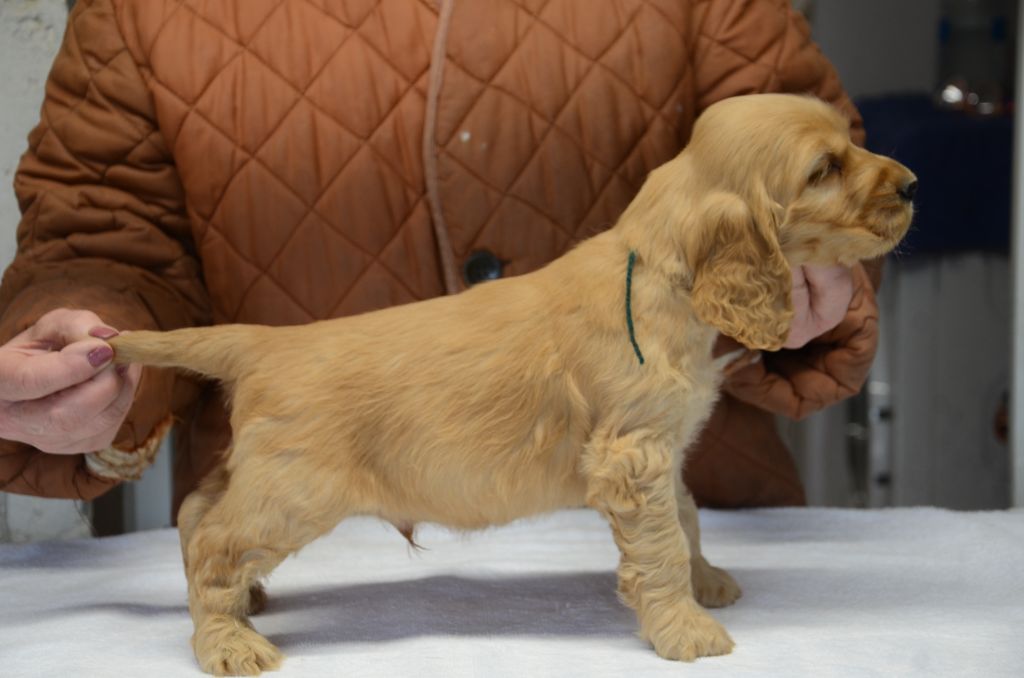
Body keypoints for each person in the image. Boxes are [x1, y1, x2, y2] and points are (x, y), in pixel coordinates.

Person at [0, 0, 879, 515]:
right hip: (317, 544)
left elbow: (806, 168)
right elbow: (103, 233)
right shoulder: (138, 13)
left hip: (672, 516)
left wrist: (809, 288)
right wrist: (86, 356)